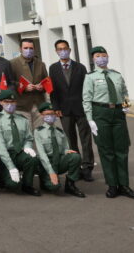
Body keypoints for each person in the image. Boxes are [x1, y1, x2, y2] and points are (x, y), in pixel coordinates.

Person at [82, 46, 134, 199]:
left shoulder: (117, 75)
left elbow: (124, 92)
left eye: (103, 55)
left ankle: (124, 185)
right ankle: (112, 185)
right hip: (100, 113)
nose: (101, 58)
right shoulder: (90, 77)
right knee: (106, 150)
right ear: (93, 59)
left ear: (108, 56)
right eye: (97, 56)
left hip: (118, 114)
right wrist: (90, 119)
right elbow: (86, 99)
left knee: (122, 150)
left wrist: (126, 104)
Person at [49, 38, 95, 182]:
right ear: (56, 52)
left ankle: (87, 168)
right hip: (64, 110)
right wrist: (55, 107)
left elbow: (87, 89)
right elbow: (53, 90)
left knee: (85, 139)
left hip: (81, 109)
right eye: (60, 49)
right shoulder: (53, 68)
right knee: (70, 140)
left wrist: (88, 107)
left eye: (65, 48)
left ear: (69, 50)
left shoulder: (80, 67)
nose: (63, 51)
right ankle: (75, 166)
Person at [0, 89, 40, 196]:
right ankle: (3, 176)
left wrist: (28, 147)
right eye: (7, 102)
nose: (10, 104)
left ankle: (27, 185)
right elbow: (0, 147)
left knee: (32, 158)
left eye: (12, 102)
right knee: (13, 185)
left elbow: (28, 138)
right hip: (5, 156)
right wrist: (11, 166)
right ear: (1, 102)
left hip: (19, 152)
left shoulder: (22, 119)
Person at [33, 102, 85, 197]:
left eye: (52, 114)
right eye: (47, 114)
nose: (50, 116)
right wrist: (51, 172)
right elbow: (42, 155)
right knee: (54, 187)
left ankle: (70, 185)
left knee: (75, 156)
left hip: (59, 161)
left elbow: (65, 148)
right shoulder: (38, 132)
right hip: (47, 164)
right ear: (42, 115)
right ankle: (44, 179)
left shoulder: (60, 131)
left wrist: (66, 151)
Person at [11, 38, 48, 124]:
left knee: (40, 133)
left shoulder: (41, 64)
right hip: (22, 106)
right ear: (20, 49)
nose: (29, 50)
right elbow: (10, 83)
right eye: (26, 48)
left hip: (39, 105)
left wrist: (42, 87)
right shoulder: (12, 63)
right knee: (25, 134)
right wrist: (24, 87)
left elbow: (47, 82)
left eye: (31, 48)